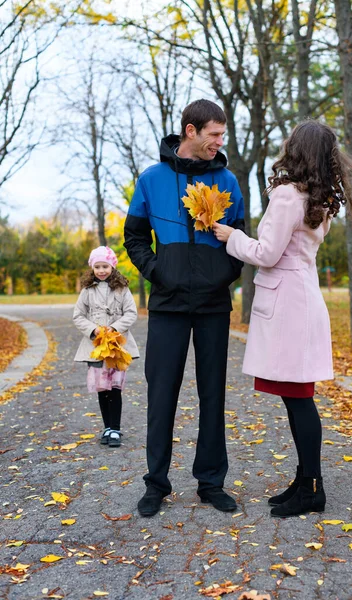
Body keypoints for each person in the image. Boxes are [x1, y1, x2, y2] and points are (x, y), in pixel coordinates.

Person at [213, 120, 352, 518]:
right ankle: (304, 479)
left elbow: (267, 253)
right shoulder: (318, 197)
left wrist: (232, 238)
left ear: (297, 149)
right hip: (302, 298)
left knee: (299, 400)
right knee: (298, 397)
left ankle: (312, 487)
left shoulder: (288, 194)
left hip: (288, 304)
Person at [124, 99, 245, 517]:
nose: (219, 142)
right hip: (168, 304)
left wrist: (223, 274)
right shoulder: (152, 179)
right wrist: (159, 272)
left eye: (222, 135)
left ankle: (211, 483)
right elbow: (134, 236)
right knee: (161, 395)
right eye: (213, 134)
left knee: (213, 395)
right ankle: (156, 483)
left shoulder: (227, 180)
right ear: (190, 132)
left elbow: (240, 238)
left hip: (213, 304)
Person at [73, 246, 139, 448]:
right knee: (103, 388)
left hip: (116, 346)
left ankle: (116, 428)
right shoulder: (87, 291)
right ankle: (107, 427)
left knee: (115, 388)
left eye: (105, 266)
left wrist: (114, 328)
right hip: (96, 346)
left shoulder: (122, 289)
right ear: (92, 268)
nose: (101, 271)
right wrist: (94, 330)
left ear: (112, 267)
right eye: (98, 267)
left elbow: (131, 313)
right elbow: (78, 315)